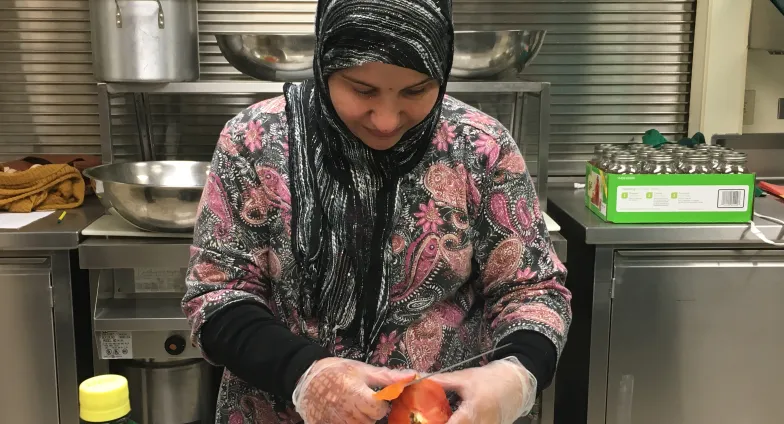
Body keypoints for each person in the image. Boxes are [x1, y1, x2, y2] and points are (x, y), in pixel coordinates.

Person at [182, 0, 572, 422]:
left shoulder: (480, 148)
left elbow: (532, 290)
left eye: (416, 90)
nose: (386, 121)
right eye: (362, 89)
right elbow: (217, 294)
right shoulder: (254, 142)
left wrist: (517, 373)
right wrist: (304, 374)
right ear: (325, 62)